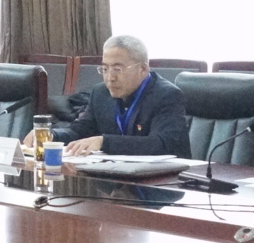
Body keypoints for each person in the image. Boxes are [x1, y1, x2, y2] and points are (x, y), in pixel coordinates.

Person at [26, 34, 189, 157]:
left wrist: (104, 142)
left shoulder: (167, 95)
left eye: (117, 69)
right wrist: (52, 135)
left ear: (143, 69)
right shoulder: (101, 93)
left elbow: (161, 143)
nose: (110, 77)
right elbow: (79, 131)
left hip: (165, 183)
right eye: (105, 69)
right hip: (116, 178)